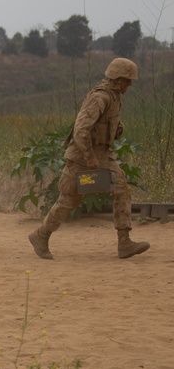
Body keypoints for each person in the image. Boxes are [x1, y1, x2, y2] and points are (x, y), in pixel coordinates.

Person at [28, 58, 149, 260]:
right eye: (127, 80)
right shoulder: (100, 98)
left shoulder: (115, 97)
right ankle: (41, 235)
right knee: (69, 200)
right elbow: (81, 130)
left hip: (103, 155)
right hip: (82, 158)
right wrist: (89, 157)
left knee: (121, 190)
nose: (130, 85)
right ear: (118, 79)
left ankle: (124, 242)